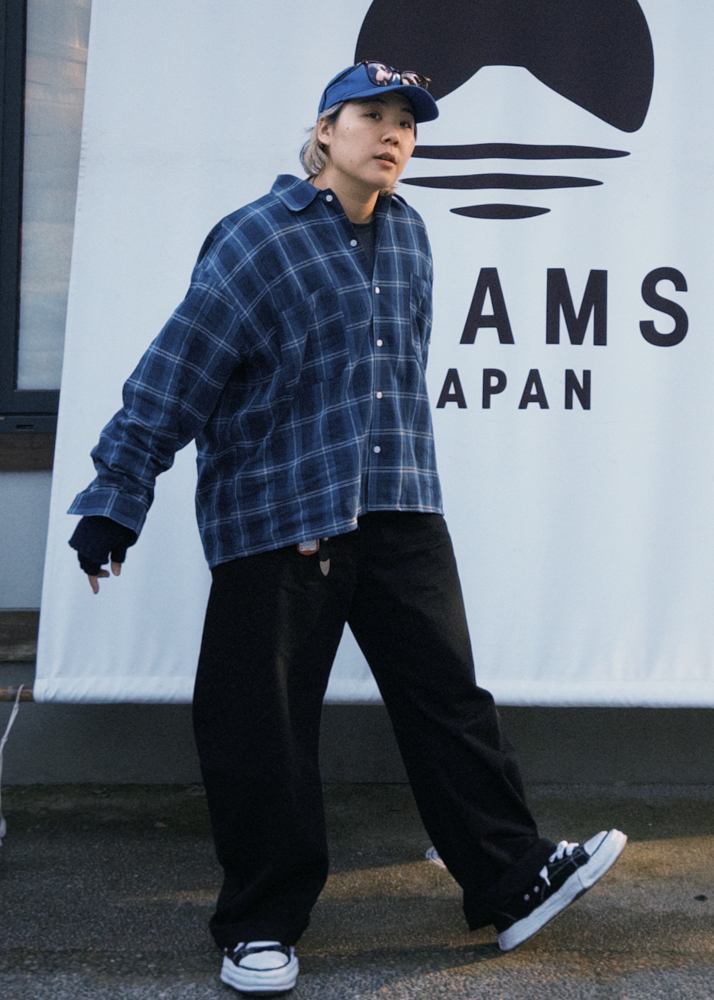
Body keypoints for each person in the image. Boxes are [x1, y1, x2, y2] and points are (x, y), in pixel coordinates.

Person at [68, 61, 626, 995]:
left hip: (399, 501)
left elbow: (393, 378)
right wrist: (115, 499)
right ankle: (260, 924)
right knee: (262, 725)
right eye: (372, 114)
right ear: (325, 131)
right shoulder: (257, 239)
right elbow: (176, 373)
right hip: (280, 514)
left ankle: (512, 876)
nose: (393, 133)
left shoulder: (411, 236)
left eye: (407, 121)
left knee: (449, 698)